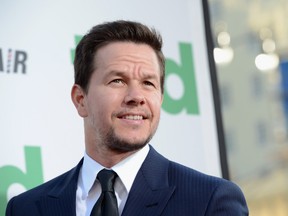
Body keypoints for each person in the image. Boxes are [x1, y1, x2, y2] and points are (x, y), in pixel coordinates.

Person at [6, 20, 248, 216]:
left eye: (148, 83)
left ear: (160, 98)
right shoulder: (26, 208)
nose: (136, 97)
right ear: (81, 99)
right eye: (118, 81)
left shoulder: (210, 200)